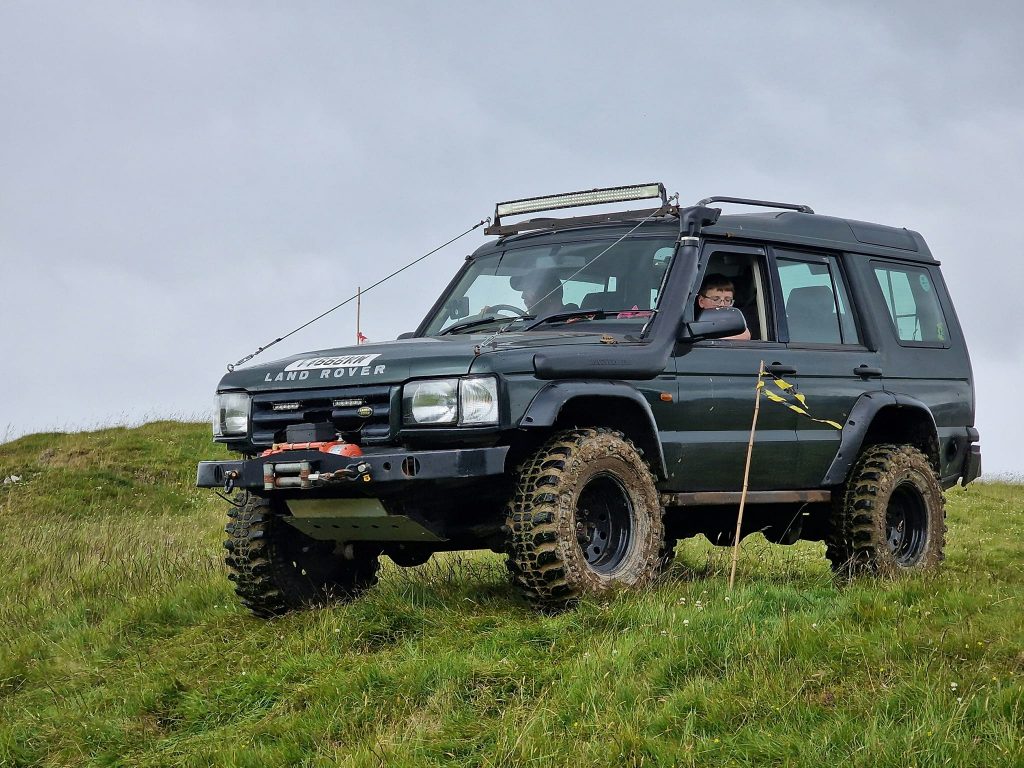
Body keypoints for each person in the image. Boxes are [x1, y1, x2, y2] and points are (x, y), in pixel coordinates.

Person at [696, 273, 751, 340]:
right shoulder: (692, 321)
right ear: (701, 301)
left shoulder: (733, 322)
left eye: (727, 300)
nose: (722, 304)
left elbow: (745, 335)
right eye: (715, 299)